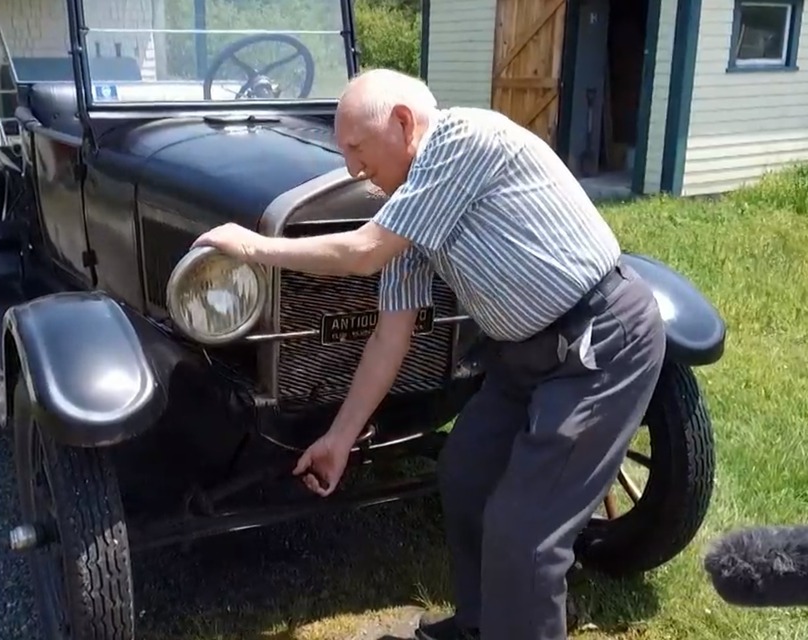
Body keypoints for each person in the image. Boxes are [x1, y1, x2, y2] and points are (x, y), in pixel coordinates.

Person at [191, 69, 666, 640]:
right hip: (521, 357)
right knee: (466, 474)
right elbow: (391, 336)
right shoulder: (410, 211)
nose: (352, 169)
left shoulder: (464, 140)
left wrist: (253, 246)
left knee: (526, 534)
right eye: (343, 153)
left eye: (358, 150)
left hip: (598, 342)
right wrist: (339, 439)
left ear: (402, 123)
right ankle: (481, 625)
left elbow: (362, 253)